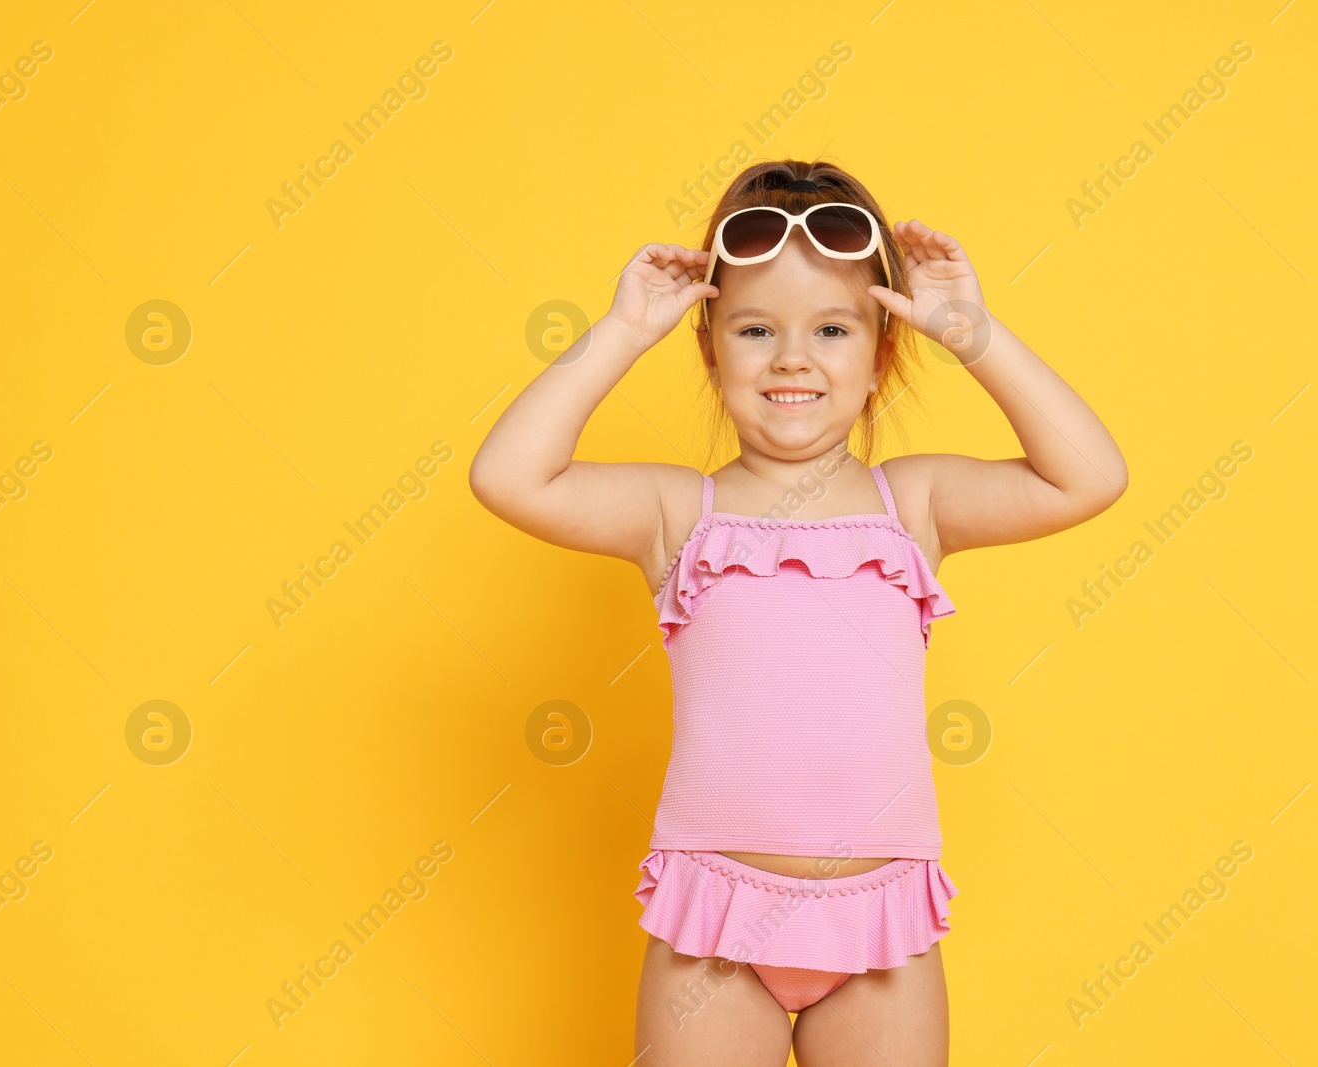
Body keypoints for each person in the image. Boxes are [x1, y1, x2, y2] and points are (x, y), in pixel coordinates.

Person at [469, 159, 1128, 1066]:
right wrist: (621, 332)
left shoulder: (916, 506)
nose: (792, 358)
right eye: (753, 328)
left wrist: (974, 334)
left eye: (830, 328)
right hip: (716, 928)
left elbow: (1090, 476)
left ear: (880, 351)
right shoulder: (677, 515)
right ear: (707, 348)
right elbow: (507, 476)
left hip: (879, 935)